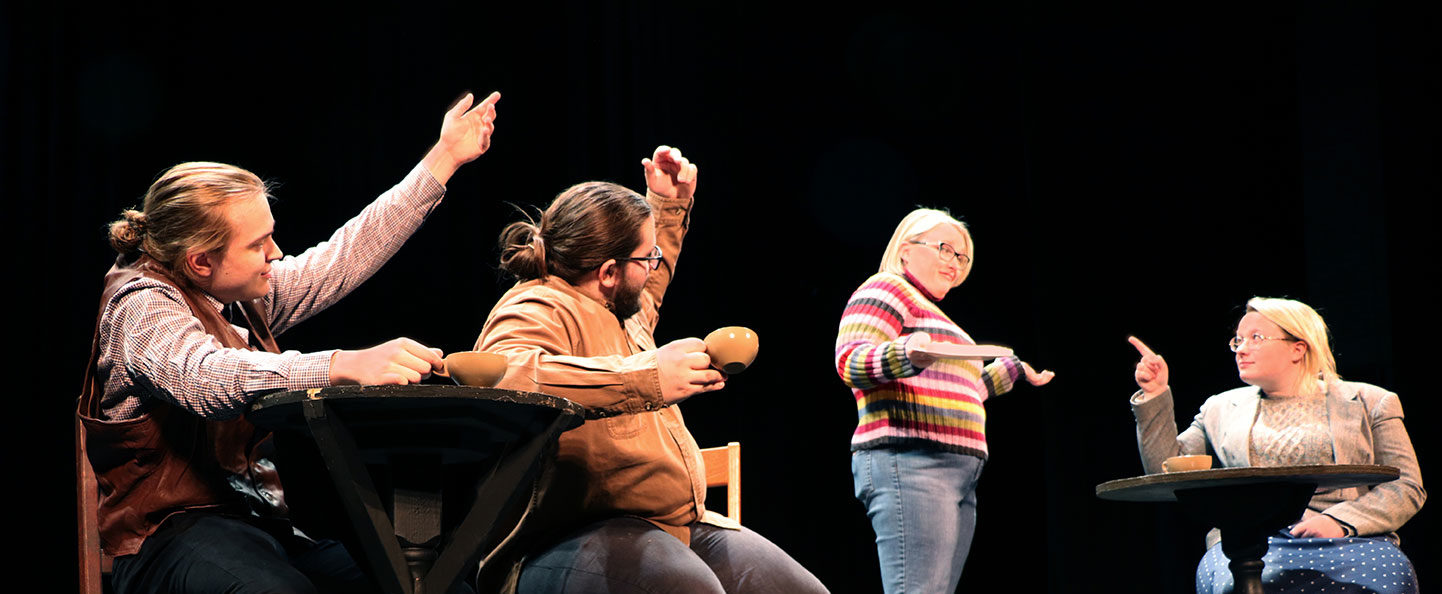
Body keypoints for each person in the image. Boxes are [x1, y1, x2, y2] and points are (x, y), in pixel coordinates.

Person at [77, 91, 500, 594]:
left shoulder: (233, 292)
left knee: (429, 583)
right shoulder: (141, 305)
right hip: (167, 539)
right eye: (258, 244)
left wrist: (444, 158)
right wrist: (342, 364)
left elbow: (343, 257)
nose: (275, 253)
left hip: (260, 529)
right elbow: (205, 376)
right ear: (200, 261)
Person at [473, 146, 828, 594]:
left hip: (674, 524)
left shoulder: (621, 307)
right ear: (608, 272)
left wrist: (669, 203)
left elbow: (648, 284)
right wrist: (647, 376)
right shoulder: (537, 304)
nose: (654, 266)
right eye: (647, 258)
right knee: (688, 588)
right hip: (561, 537)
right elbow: (509, 377)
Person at [1129, 297, 1425, 593]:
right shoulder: (1219, 408)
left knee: (1384, 579)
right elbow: (1165, 470)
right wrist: (1155, 394)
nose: (1241, 348)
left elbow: (1407, 485)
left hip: (1351, 539)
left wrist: (1340, 521)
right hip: (1247, 542)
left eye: (1255, 338)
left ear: (1298, 348)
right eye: (1238, 340)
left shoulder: (1370, 402)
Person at [834, 208, 1055, 594]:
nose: (954, 263)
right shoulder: (887, 288)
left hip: (955, 472)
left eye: (961, 257)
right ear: (905, 251)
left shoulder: (936, 317)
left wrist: (1012, 369)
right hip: (913, 461)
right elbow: (850, 361)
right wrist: (907, 354)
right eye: (944, 249)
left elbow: (963, 389)